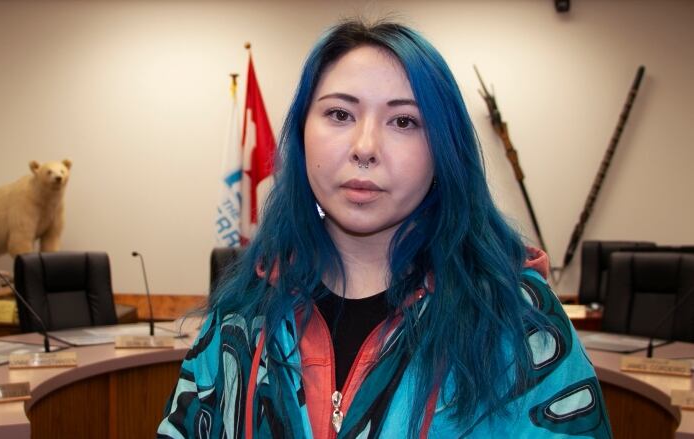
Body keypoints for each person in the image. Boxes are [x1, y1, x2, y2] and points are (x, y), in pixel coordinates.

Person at [158, 19, 611, 439]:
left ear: (443, 152)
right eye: (339, 114)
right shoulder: (241, 314)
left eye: (404, 121)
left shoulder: (519, 319)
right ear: (301, 135)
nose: (365, 147)